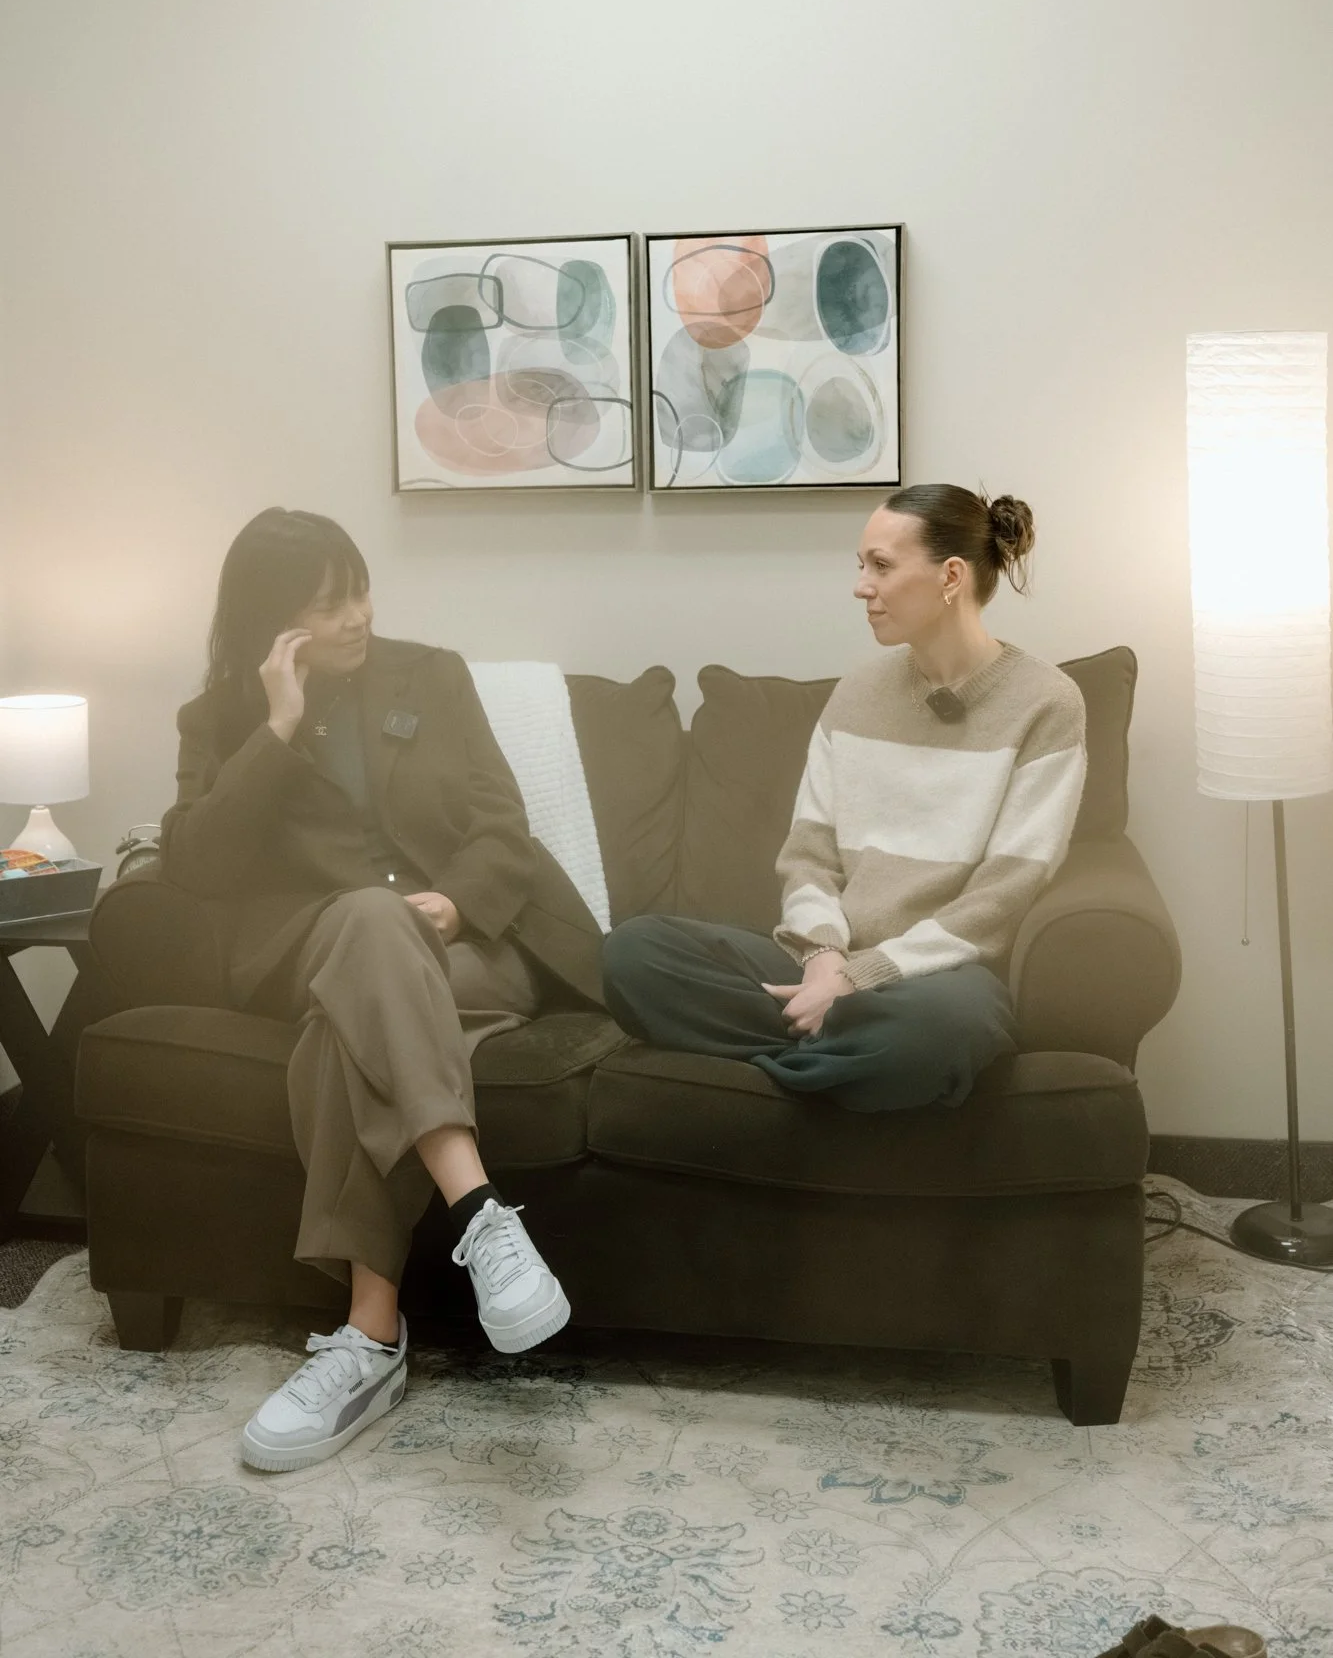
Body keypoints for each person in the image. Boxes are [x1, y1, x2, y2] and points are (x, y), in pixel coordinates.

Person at [158, 506, 605, 1471]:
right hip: (329, 946)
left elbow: (501, 820)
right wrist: (275, 730)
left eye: (360, 589)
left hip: (471, 947)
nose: (358, 615)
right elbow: (193, 864)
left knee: (344, 1028)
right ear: (272, 625)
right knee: (364, 922)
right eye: (328, 606)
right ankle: (481, 1216)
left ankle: (369, 1341)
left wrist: (452, 903)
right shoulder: (224, 718)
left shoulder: (430, 675)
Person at [602, 484, 1088, 1111]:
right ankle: (845, 1065)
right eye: (861, 566)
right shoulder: (857, 692)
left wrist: (863, 977)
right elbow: (809, 853)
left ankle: (797, 1069)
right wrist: (826, 962)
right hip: (824, 966)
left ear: (951, 576)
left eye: (881, 566)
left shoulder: (1046, 703)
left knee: (941, 1031)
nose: (862, 586)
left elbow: (1003, 894)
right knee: (634, 953)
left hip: (938, 981)